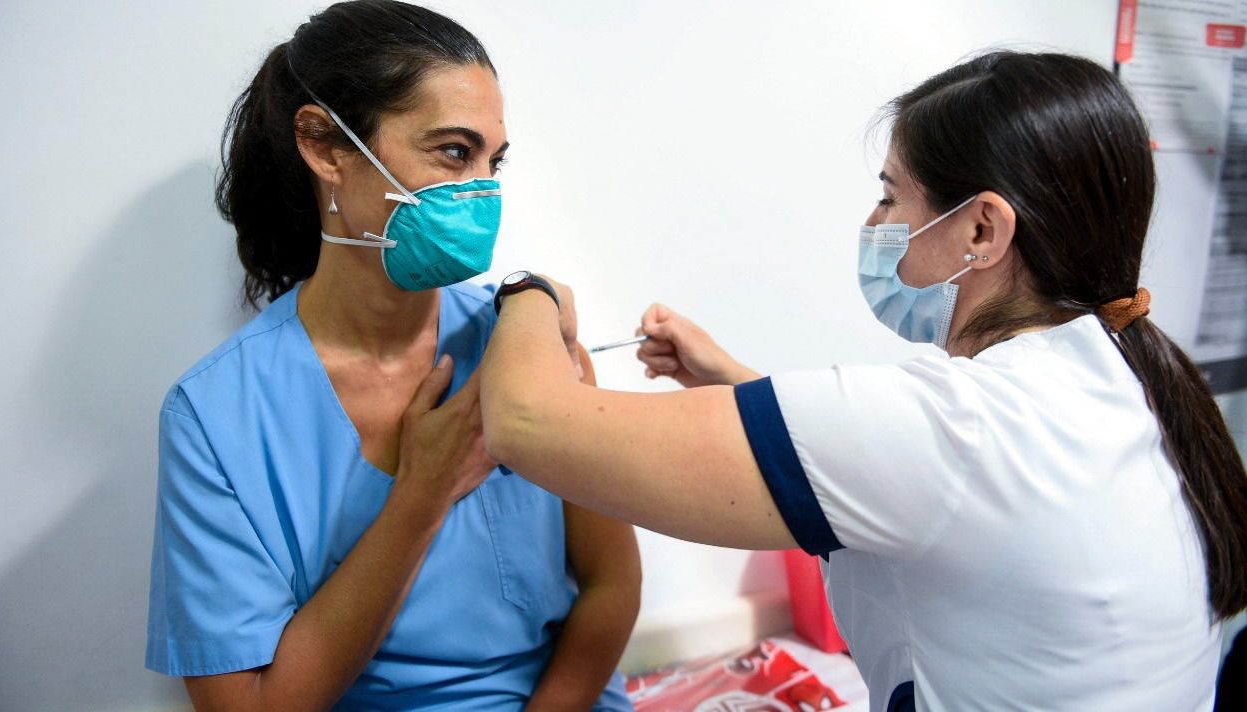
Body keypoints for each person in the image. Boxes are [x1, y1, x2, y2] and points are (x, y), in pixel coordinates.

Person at [476, 51, 1247, 710]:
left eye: (890, 194)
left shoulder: (958, 426)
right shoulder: (1121, 375)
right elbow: (892, 470)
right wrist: (728, 380)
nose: (875, 224)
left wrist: (527, 291)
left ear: (982, 229)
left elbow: (527, 422)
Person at [145, 2, 639, 710]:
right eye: (454, 152)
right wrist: (422, 493)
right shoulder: (216, 416)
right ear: (325, 146)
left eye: (493, 161)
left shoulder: (528, 342)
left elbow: (611, 584)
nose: (483, 190)